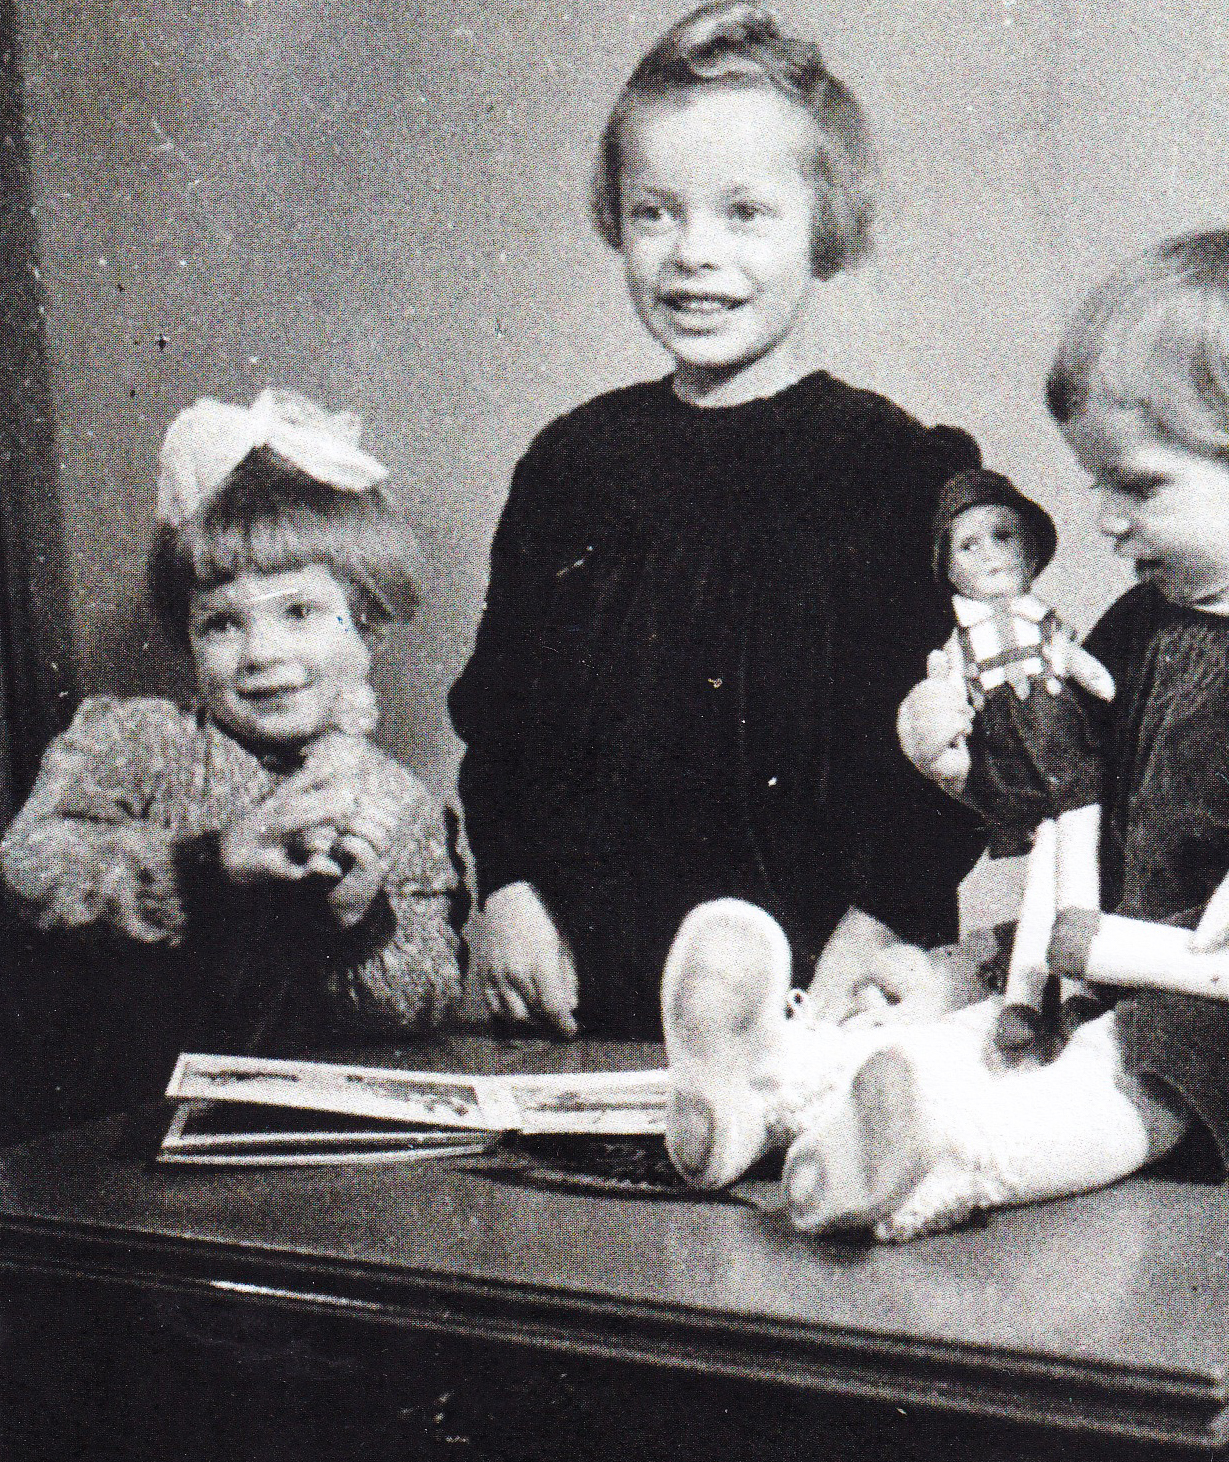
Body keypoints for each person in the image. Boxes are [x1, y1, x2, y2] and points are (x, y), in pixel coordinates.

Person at [669, 228, 1229, 1242]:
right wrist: (957, 763)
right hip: (1122, 962)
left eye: (1137, 486)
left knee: (1134, 1057)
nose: (1101, 518)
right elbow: (1066, 789)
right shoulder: (1148, 621)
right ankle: (774, 1094)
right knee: (987, 1017)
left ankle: (961, 1155)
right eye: (1097, 484)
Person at [448, 1, 981, 1044]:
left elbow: (949, 759)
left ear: (823, 225)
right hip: (594, 988)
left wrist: (877, 931)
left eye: (744, 214)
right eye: (655, 213)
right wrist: (509, 889)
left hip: (827, 985)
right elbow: (504, 724)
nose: (693, 253)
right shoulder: (572, 465)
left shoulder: (893, 469)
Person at [0, 389, 466, 1137]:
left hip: (302, 1140)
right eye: (221, 624)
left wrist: (354, 923)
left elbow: (425, 996)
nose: (260, 654)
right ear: (187, 639)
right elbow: (30, 870)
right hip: (116, 1125)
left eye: (299, 612)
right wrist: (210, 867)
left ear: (369, 627)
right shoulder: (138, 743)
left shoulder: (397, 801)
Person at [919, 467, 1114, 1054]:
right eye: (968, 545)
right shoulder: (959, 646)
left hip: (1070, 759)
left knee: (1073, 865)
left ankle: (1051, 994)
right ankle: (1039, 995)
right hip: (1012, 773)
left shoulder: (1046, 625)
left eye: (1003, 536)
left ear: (1029, 549)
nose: (989, 554)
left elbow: (1088, 674)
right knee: (1044, 872)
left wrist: (1097, 681)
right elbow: (946, 705)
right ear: (949, 568)